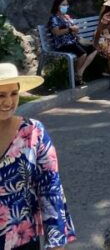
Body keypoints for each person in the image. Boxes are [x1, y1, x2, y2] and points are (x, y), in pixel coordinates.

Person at [0, 63, 76, 249]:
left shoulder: (33, 131)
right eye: (0, 95)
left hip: (20, 238)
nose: (9, 102)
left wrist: (57, 240)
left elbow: (50, 186)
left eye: (14, 94)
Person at [48, 0, 97, 86]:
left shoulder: (67, 17)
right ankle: (78, 77)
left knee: (94, 49)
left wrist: (75, 30)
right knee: (82, 54)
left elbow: (73, 30)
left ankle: (80, 72)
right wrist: (70, 29)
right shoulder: (54, 18)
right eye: (63, 4)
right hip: (62, 43)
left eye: (66, 5)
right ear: (57, 6)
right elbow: (56, 32)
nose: (66, 6)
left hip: (72, 41)